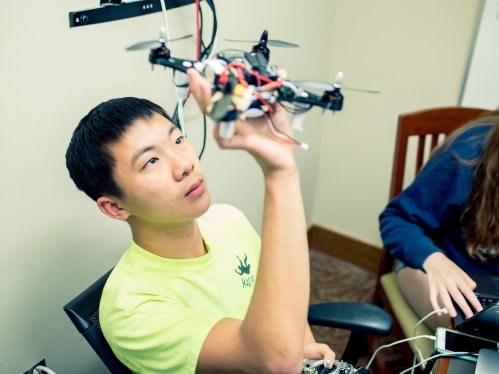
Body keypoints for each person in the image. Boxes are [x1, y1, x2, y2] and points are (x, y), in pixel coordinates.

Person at [65, 69, 335, 374]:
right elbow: (272, 363)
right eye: (151, 161)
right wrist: (281, 172)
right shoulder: (132, 310)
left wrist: (302, 343)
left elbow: (285, 297)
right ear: (114, 207)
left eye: (178, 139)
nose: (184, 163)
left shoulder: (227, 219)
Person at [379, 110, 499, 331]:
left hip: (492, 288)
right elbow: (396, 219)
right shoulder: (465, 155)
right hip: (435, 268)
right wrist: (434, 260)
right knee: (470, 336)